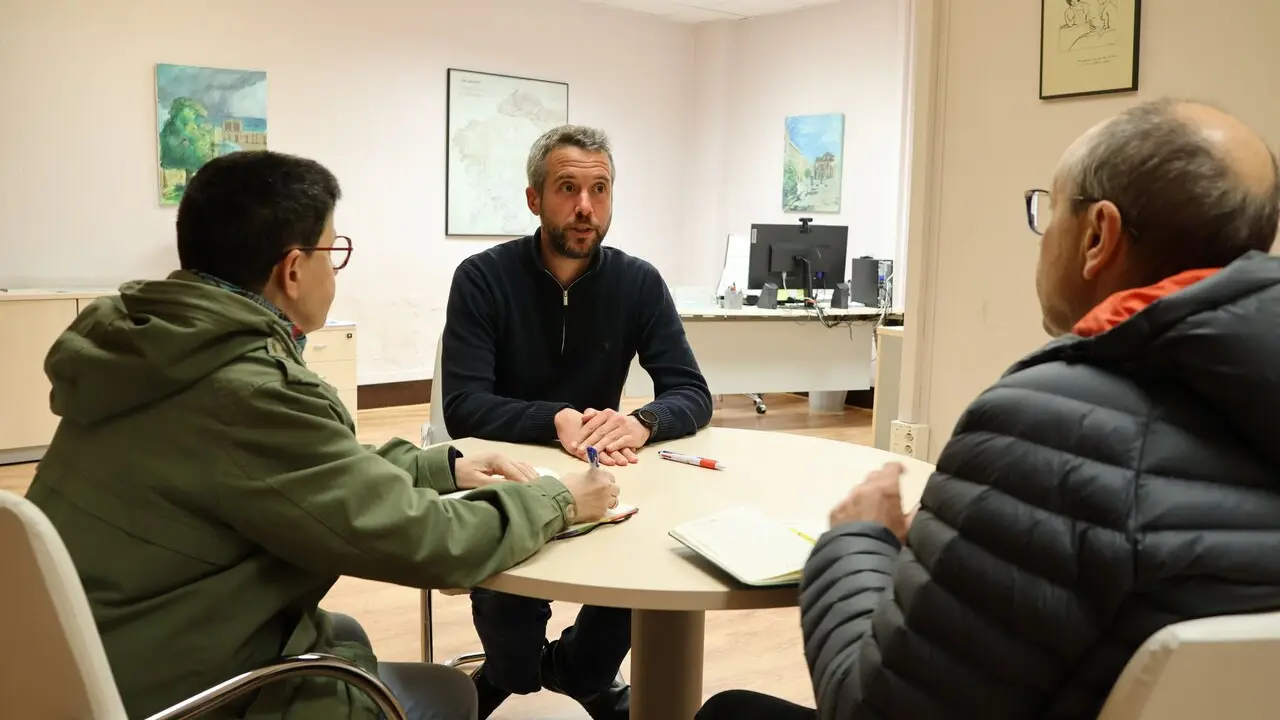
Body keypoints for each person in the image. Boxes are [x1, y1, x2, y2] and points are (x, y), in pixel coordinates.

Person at [697, 97, 1280, 719]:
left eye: (1049, 209)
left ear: (1097, 235)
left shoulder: (1047, 424)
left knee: (728, 712)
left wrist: (857, 539)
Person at [24, 150, 620, 720]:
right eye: (332, 251)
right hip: (182, 688)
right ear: (292, 269)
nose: (334, 269)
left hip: (90, 657)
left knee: (347, 632)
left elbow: (300, 465)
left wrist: (439, 467)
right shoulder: (248, 389)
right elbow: (429, 542)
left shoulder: (149, 352)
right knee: (445, 695)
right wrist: (561, 498)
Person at [440, 124, 713, 718]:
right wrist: (555, 418)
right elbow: (463, 404)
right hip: (507, 477)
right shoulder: (483, 278)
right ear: (535, 198)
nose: (586, 207)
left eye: (600, 190)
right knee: (511, 659)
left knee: (629, 596)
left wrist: (644, 421)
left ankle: (579, 670)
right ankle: (511, 670)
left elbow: (692, 392)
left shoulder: (637, 282)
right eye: (567, 188)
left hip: (607, 477)